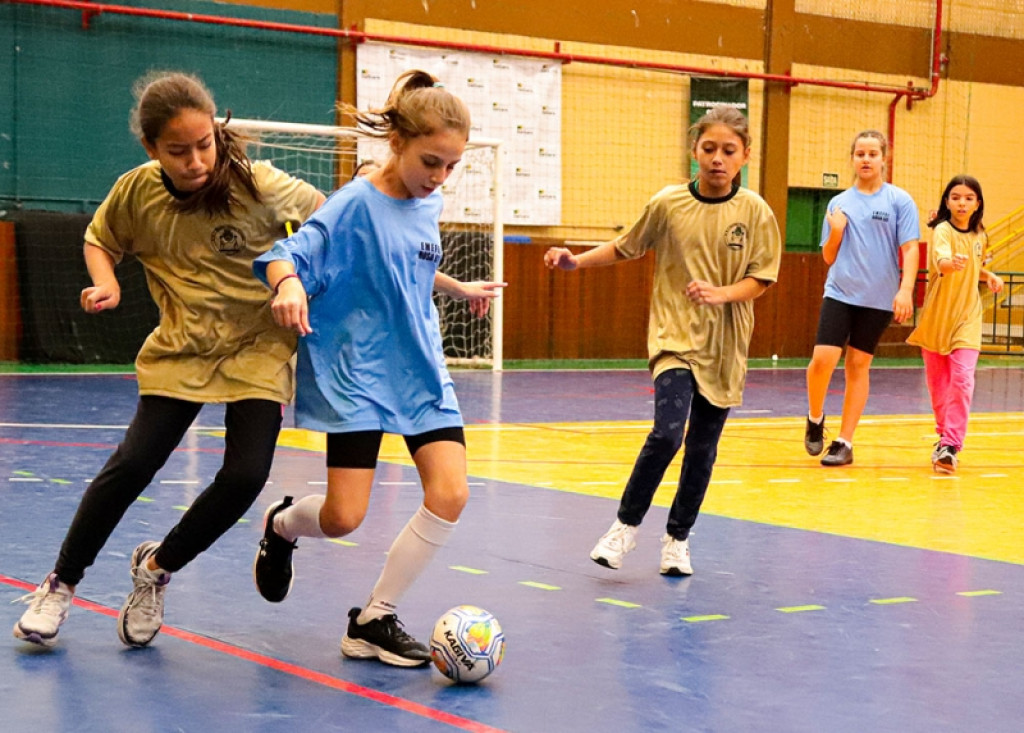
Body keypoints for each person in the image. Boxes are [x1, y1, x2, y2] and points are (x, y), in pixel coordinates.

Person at [12, 71, 325, 649]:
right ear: (152, 149)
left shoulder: (260, 185)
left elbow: (329, 221)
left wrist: (295, 279)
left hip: (258, 350)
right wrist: (105, 282)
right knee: (134, 463)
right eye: (178, 151)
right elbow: (100, 237)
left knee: (245, 477)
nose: (196, 159)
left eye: (204, 144)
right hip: (182, 347)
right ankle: (60, 583)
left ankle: (156, 568)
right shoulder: (137, 191)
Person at [250, 69, 506, 667]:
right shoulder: (355, 204)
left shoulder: (429, 199)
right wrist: (287, 286)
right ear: (398, 144)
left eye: (451, 165)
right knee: (344, 517)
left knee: (451, 493)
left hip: (418, 368)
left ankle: (374, 618)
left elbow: (402, 264)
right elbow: (289, 253)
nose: (440, 177)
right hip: (358, 371)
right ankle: (283, 524)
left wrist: (453, 283)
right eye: (431, 162)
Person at [544, 105, 781, 576]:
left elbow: (762, 278)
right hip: (674, 336)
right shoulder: (669, 204)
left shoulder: (755, 212)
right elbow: (625, 245)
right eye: (709, 148)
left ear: (745, 155)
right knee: (668, 433)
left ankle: (677, 538)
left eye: (728, 151)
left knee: (702, 449)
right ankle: (624, 528)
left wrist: (721, 294)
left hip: (725, 344)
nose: (717, 158)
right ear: (694, 151)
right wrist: (576, 262)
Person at [803, 130, 920, 466]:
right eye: (860, 154)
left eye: (872, 153)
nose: (866, 159)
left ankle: (844, 441)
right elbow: (827, 257)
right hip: (840, 292)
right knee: (822, 360)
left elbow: (910, 247)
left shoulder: (899, 201)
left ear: (884, 158)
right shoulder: (838, 203)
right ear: (852, 158)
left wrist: (906, 289)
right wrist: (837, 231)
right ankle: (814, 419)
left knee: (858, 365)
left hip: (879, 299)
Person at [906, 175, 1003, 473]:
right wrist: (951, 264)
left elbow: (974, 265)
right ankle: (943, 435)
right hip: (938, 317)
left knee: (962, 379)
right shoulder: (943, 231)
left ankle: (950, 444)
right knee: (938, 386)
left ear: (978, 203)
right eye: (956, 197)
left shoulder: (980, 236)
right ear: (947, 201)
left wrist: (988, 276)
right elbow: (942, 261)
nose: (962, 202)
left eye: (969, 198)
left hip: (967, 316)